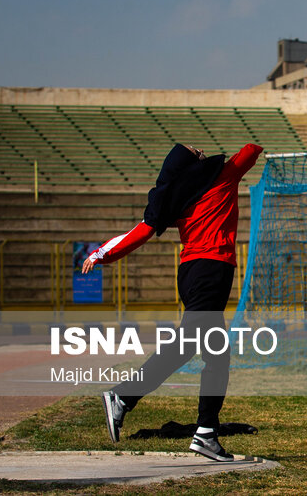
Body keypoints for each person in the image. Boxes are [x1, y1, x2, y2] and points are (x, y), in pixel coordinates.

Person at [82, 143, 262, 461]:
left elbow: (139, 232)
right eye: (196, 152)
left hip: (192, 273)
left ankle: (206, 433)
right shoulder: (222, 179)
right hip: (211, 272)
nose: (202, 150)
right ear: (193, 166)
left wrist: (101, 254)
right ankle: (123, 397)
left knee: (216, 356)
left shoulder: (176, 199)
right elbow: (250, 150)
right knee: (186, 347)